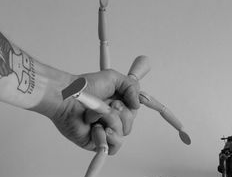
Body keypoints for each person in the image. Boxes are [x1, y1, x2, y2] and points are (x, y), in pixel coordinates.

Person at [0, 31, 140, 155]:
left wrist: (65, 106)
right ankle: (78, 95)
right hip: (90, 111)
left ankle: (78, 95)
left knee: (103, 111)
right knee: (104, 111)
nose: (119, 106)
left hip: (89, 111)